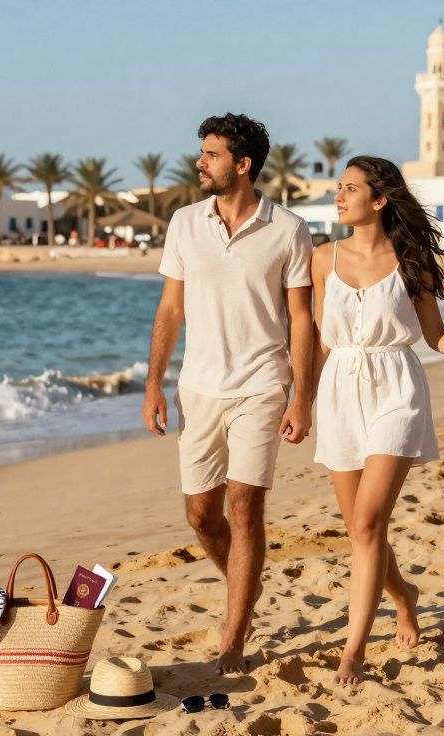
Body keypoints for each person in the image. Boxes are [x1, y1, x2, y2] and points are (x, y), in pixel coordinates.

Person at [310, 156, 444, 685]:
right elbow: (314, 337)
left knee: (369, 521)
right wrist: (298, 400)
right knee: (360, 528)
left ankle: (352, 650)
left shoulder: (411, 262)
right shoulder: (319, 259)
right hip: (338, 390)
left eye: (350, 188)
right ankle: (404, 597)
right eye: (339, 187)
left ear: (378, 200)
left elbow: (436, 337)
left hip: (396, 389)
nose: (339, 195)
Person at [142, 113, 314, 675]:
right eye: (202, 153)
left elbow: (300, 318)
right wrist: (154, 383)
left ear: (242, 165)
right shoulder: (185, 223)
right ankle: (245, 582)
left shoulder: (287, 230)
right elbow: (171, 307)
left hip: (262, 385)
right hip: (199, 387)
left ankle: (233, 636)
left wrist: (301, 396)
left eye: (211, 154)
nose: (200, 162)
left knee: (244, 507)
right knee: (200, 517)